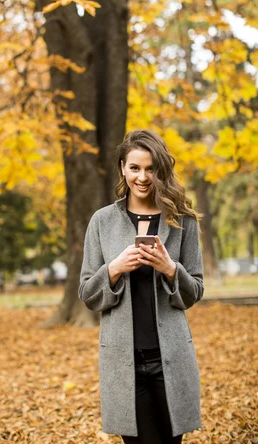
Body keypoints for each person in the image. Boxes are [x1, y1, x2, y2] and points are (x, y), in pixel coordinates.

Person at [78, 129, 204, 444]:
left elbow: (196, 290)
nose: (143, 177)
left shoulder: (182, 221)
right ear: (123, 167)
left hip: (171, 359)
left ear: (160, 170)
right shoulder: (102, 221)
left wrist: (170, 269)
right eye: (135, 168)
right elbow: (87, 294)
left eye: (150, 168)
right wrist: (115, 269)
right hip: (124, 362)